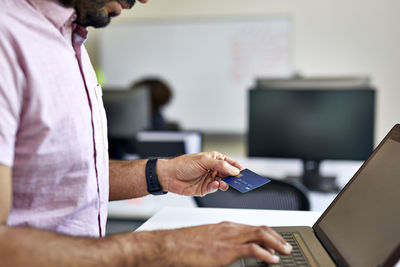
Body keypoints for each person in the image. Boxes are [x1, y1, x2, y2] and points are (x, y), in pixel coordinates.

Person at [0, 0, 292, 266]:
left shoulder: (71, 40)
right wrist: (165, 245)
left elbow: (63, 177)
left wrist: (163, 173)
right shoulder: (7, 35)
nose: (144, 0)